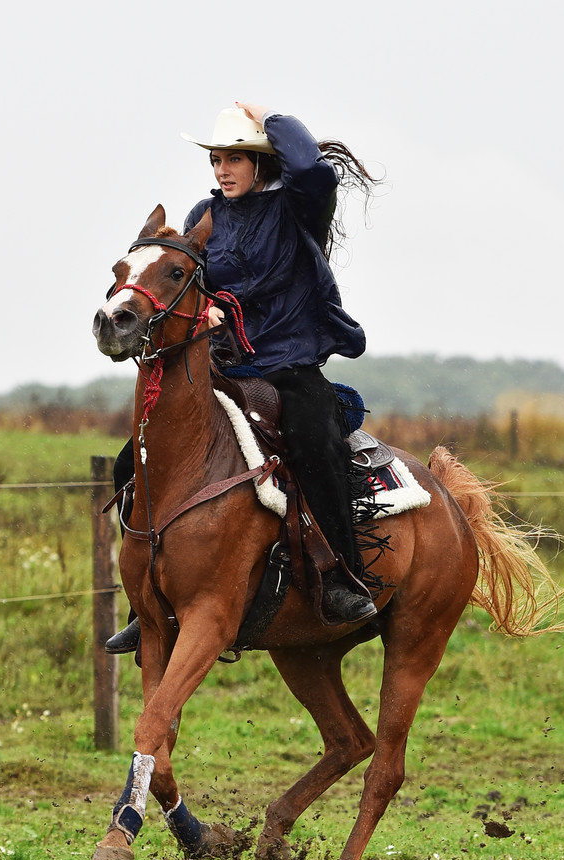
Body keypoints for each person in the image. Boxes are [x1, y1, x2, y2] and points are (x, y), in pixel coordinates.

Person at [106, 102, 377, 654]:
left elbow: (315, 174)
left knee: (314, 441)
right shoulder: (202, 214)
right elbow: (185, 282)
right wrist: (201, 312)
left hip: (290, 367)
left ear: (261, 163)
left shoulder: (297, 210)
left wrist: (272, 119)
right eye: (216, 160)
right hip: (225, 367)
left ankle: (340, 578)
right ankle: (147, 601)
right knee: (128, 461)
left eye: (235, 159)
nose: (222, 170)